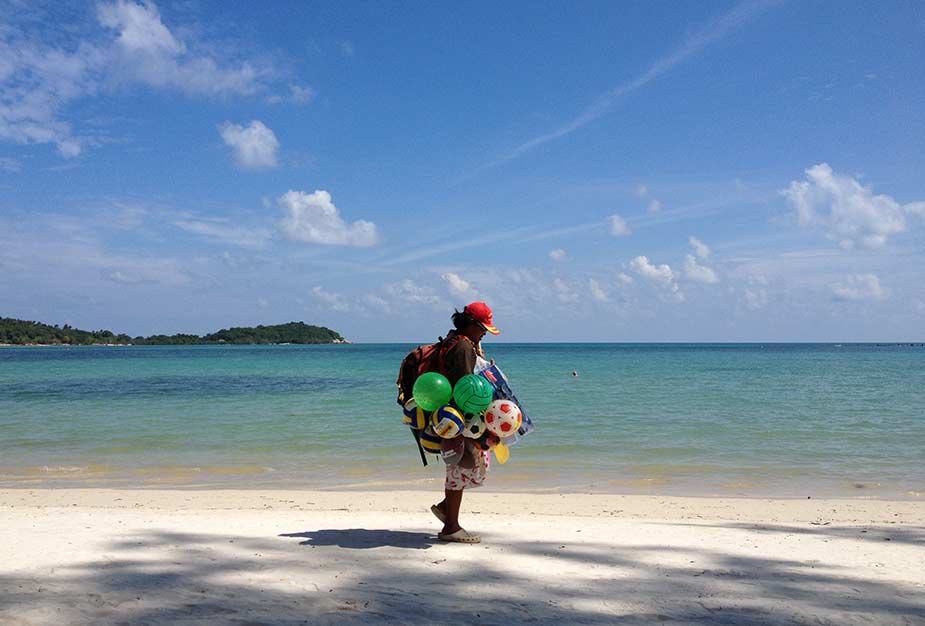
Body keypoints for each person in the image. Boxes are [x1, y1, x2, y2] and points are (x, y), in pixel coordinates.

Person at [430, 301, 499, 543]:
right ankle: (451, 527)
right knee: (460, 469)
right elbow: (464, 388)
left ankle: (445, 508)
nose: (484, 333)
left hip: (455, 417)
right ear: (470, 324)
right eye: (482, 328)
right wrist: (474, 427)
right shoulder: (462, 347)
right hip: (457, 419)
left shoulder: (463, 342)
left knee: (477, 465)